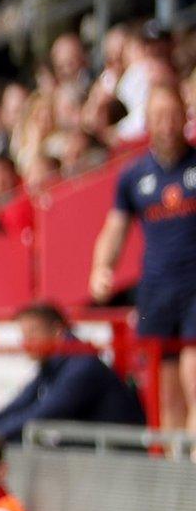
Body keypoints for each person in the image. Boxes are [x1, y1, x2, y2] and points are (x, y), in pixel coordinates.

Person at [91, 85, 196, 432]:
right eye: (158, 117)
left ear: (185, 117)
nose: (166, 125)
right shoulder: (134, 176)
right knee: (166, 392)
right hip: (158, 290)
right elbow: (115, 228)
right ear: (148, 122)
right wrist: (101, 269)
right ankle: (174, 470)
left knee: (194, 379)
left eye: (172, 116)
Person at [0, 303, 144, 442]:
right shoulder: (57, 363)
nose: (26, 343)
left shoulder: (82, 365)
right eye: (24, 335)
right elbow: (21, 402)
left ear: (58, 330)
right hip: (96, 458)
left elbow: (44, 413)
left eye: (32, 333)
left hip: (116, 459)